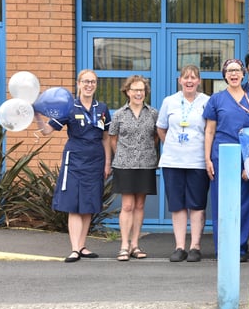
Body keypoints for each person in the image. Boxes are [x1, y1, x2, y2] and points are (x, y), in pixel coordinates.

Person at [34, 69, 111, 263]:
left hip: (96, 160)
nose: (89, 85)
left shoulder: (101, 108)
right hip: (74, 160)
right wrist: (37, 115)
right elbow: (46, 131)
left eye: (92, 82)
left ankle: (82, 246)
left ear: (96, 85)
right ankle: (74, 248)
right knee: (74, 205)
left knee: (88, 205)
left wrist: (108, 162)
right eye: (85, 81)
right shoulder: (69, 107)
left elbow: (106, 137)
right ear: (78, 84)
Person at [204, 58, 249, 262]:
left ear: (243, 74)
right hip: (221, 156)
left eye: (237, 70)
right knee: (222, 203)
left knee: (244, 203)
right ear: (224, 75)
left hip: (246, 157)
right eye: (229, 71)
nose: (234, 74)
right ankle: (223, 248)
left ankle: (240, 248)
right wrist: (207, 159)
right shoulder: (216, 99)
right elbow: (209, 131)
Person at [157, 65, 210, 262]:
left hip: (197, 161)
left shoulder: (207, 101)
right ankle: (179, 247)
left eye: (193, 77)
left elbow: (210, 130)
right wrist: (173, 145)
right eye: (185, 77)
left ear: (199, 81)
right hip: (173, 161)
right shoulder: (169, 101)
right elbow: (161, 128)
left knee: (197, 205)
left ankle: (195, 246)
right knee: (177, 205)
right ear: (180, 80)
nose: (189, 81)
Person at [109, 75, 158, 261]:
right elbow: (113, 138)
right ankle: (124, 245)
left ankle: (135, 244)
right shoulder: (119, 114)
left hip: (146, 163)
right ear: (127, 92)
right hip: (124, 164)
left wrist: (144, 151)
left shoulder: (153, 113)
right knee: (127, 205)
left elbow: (155, 137)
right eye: (135, 90)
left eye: (142, 90)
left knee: (139, 205)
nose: (139, 93)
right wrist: (123, 154)